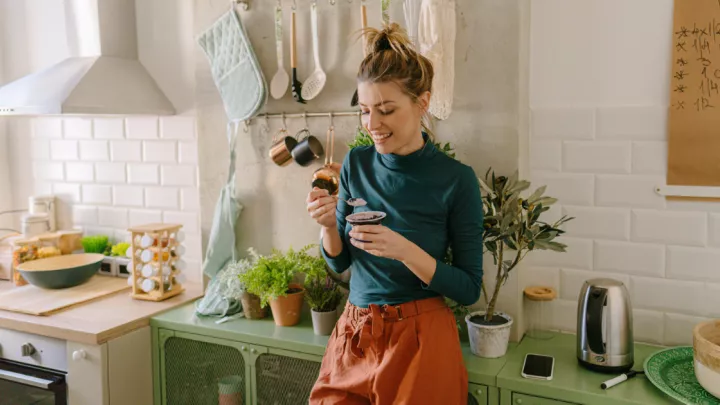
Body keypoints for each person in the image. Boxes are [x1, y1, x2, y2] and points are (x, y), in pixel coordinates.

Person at [305, 23, 484, 405]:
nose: (372, 125)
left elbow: (469, 288)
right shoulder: (357, 163)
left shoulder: (456, 180)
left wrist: (404, 249)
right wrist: (327, 227)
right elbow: (339, 264)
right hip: (356, 333)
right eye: (366, 111)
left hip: (420, 337)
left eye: (386, 110)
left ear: (422, 102)